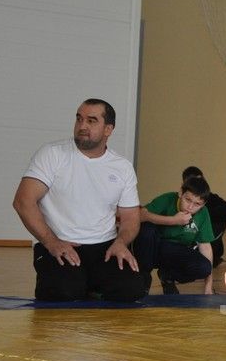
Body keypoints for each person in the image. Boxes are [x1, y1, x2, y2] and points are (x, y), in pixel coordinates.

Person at [13, 98, 145, 301]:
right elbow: (23, 202)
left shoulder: (122, 167)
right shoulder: (52, 154)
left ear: (108, 129)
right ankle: (81, 284)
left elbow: (130, 218)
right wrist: (51, 242)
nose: (82, 126)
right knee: (63, 293)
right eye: (79, 119)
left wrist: (121, 242)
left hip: (104, 247)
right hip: (59, 244)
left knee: (132, 289)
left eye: (91, 121)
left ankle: (89, 285)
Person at [135, 176, 215, 295]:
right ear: (180, 193)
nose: (191, 207)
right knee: (147, 229)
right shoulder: (168, 199)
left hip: (176, 250)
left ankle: (167, 276)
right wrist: (173, 220)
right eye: (188, 200)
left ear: (203, 205)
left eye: (197, 204)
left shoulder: (203, 214)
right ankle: (143, 279)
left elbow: (205, 246)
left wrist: (208, 286)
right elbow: (140, 215)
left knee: (204, 267)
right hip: (154, 246)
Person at [181, 166, 226, 264]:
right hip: (186, 239)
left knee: (221, 218)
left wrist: (203, 215)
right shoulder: (182, 199)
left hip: (207, 241)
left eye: (201, 180)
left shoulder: (209, 197)